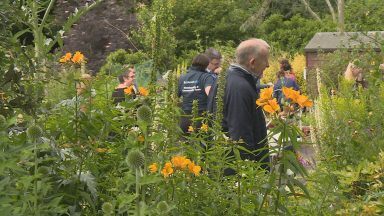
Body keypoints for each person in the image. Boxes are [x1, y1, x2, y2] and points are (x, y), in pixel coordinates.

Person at [222, 38, 270, 167]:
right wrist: (249, 172)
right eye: (266, 60)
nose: (268, 65)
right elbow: (240, 134)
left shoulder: (232, 79)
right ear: (252, 62)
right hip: (242, 173)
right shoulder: (239, 87)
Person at [178, 54, 214, 133]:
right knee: (202, 143)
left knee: (185, 143)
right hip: (201, 119)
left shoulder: (182, 77)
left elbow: (174, 97)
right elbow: (210, 94)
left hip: (184, 119)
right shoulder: (206, 77)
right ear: (206, 65)